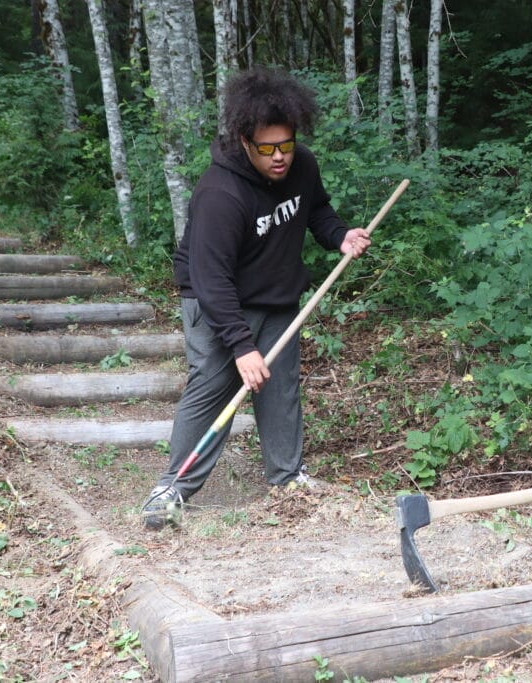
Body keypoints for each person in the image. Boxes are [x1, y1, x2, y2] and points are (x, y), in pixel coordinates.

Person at [141, 66, 371, 530]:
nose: (280, 157)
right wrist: (242, 345)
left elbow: (316, 209)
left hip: (278, 295)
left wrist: (340, 236)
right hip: (219, 299)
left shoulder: (301, 163)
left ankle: (287, 479)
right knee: (213, 386)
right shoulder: (220, 193)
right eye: (268, 148)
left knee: (280, 389)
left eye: (286, 144)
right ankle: (172, 487)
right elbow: (210, 278)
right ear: (245, 140)